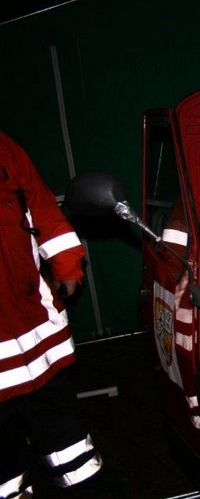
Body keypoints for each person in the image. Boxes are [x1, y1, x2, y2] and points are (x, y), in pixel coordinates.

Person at [0, 132, 132, 497]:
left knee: (53, 401)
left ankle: (83, 477)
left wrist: (66, 263)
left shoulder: (5, 148)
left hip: (29, 317)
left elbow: (40, 206)